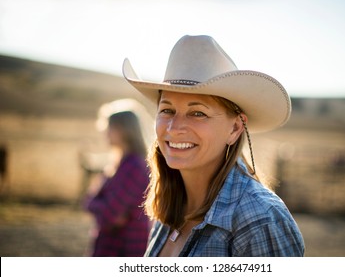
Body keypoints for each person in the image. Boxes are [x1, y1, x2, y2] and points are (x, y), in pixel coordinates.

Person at [122, 35, 305, 256]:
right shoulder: (171, 206)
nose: (174, 127)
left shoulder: (261, 220)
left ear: (235, 129)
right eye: (167, 110)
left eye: (198, 113)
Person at [84, 111, 150, 256]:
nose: (105, 133)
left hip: (126, 249)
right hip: (110, 246)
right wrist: (98, 205)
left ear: (124, 130)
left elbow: (110, 215)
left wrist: (97, 206)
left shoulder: (134, 167)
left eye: (110, 128)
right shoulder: (118, 164)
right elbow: (89, 201)